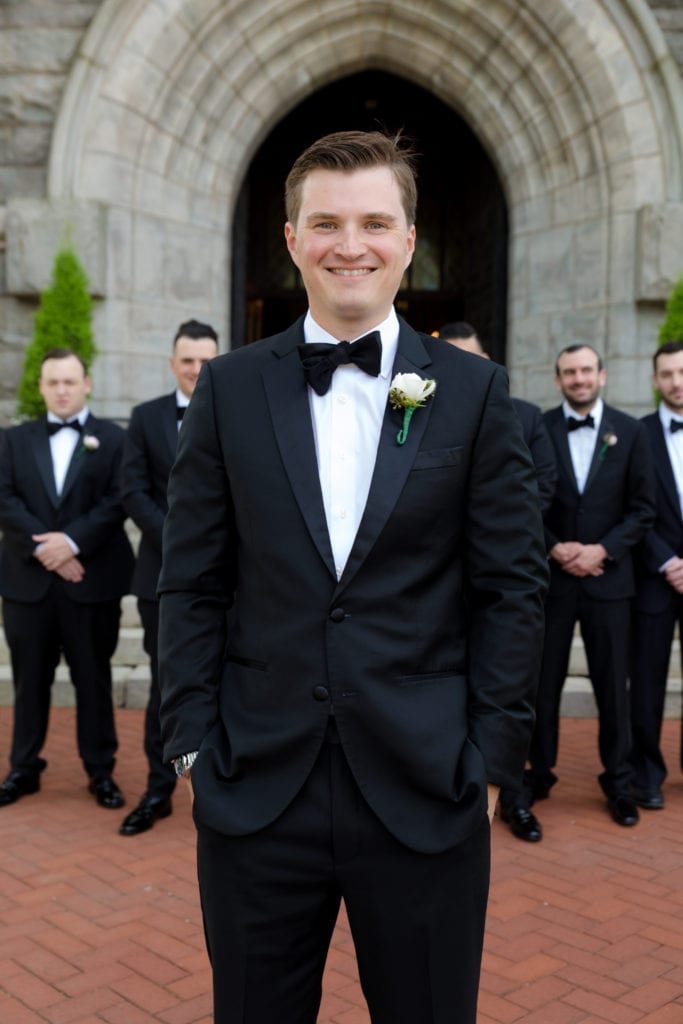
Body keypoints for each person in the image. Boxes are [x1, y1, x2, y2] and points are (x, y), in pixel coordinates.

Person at [158, 130, 548, 1024]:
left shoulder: (475, 394)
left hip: (424, 788)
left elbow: (510, 590)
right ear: (292, 240)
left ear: (408, 241)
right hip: (255, 789)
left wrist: (489, 762)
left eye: (375, 221)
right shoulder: (225, 391)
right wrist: (189, 749)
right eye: (325, 223)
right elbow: (190, 585)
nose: (350, 244)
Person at [516, 344, 655, 839]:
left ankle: (619, 782)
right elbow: (526, 498)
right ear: (557, 380)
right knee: (542, 686)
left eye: (586, 370)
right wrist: (555, 548)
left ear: (603, 375)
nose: (578, 379)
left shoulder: (632, 431)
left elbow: (643, 507)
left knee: (612, 688)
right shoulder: (540, 427)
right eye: (569, 372)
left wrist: (602, 550)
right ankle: (539, 773)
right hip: (552, 581)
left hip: (608, 580)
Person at [436, 321, 557, 841]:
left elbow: (540, 486)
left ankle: (517, 791)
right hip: (437, 595)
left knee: (514, 684)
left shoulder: (524, 416)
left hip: (494, 575)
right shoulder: (410, 405)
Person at [0, 348, 133, 808]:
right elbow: (5, 500)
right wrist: (49, 550)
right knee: (28, 680)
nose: (61, 390)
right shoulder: (13, 440)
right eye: (53, 382)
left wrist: (72, 543)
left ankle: (101, 772)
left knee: (93, 679)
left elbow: (120, 501)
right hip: (27, 585)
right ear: (40, 387)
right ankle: (23, 768)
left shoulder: (114, 440)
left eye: (70, 382)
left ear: (87, 384)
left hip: (91, 582)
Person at [118, 319, 219, 836]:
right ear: (172, 363)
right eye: (187, 360)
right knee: (167, 685)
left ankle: (226, 783)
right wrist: (181, 543)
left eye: (206, 360)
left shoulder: (242, 410)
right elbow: (132, 490)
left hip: (232, 580)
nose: (197, 370)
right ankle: (160, 787)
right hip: (162, 578)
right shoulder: (145, 417)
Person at [629, 339, 683, 809]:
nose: (676, 382)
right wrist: (667, 561)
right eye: (667, 374)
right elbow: (633, 509)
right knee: (646, 682)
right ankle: (646, 774)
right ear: (654, 381)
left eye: (682, 372)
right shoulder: (636, 433)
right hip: (653, 576)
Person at [436, 321, 557, 514]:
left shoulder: (527, 416)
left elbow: (542, 484)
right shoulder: (420, 415)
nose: (460, 371)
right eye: (452, 362)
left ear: (485, 360)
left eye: (469, 360)